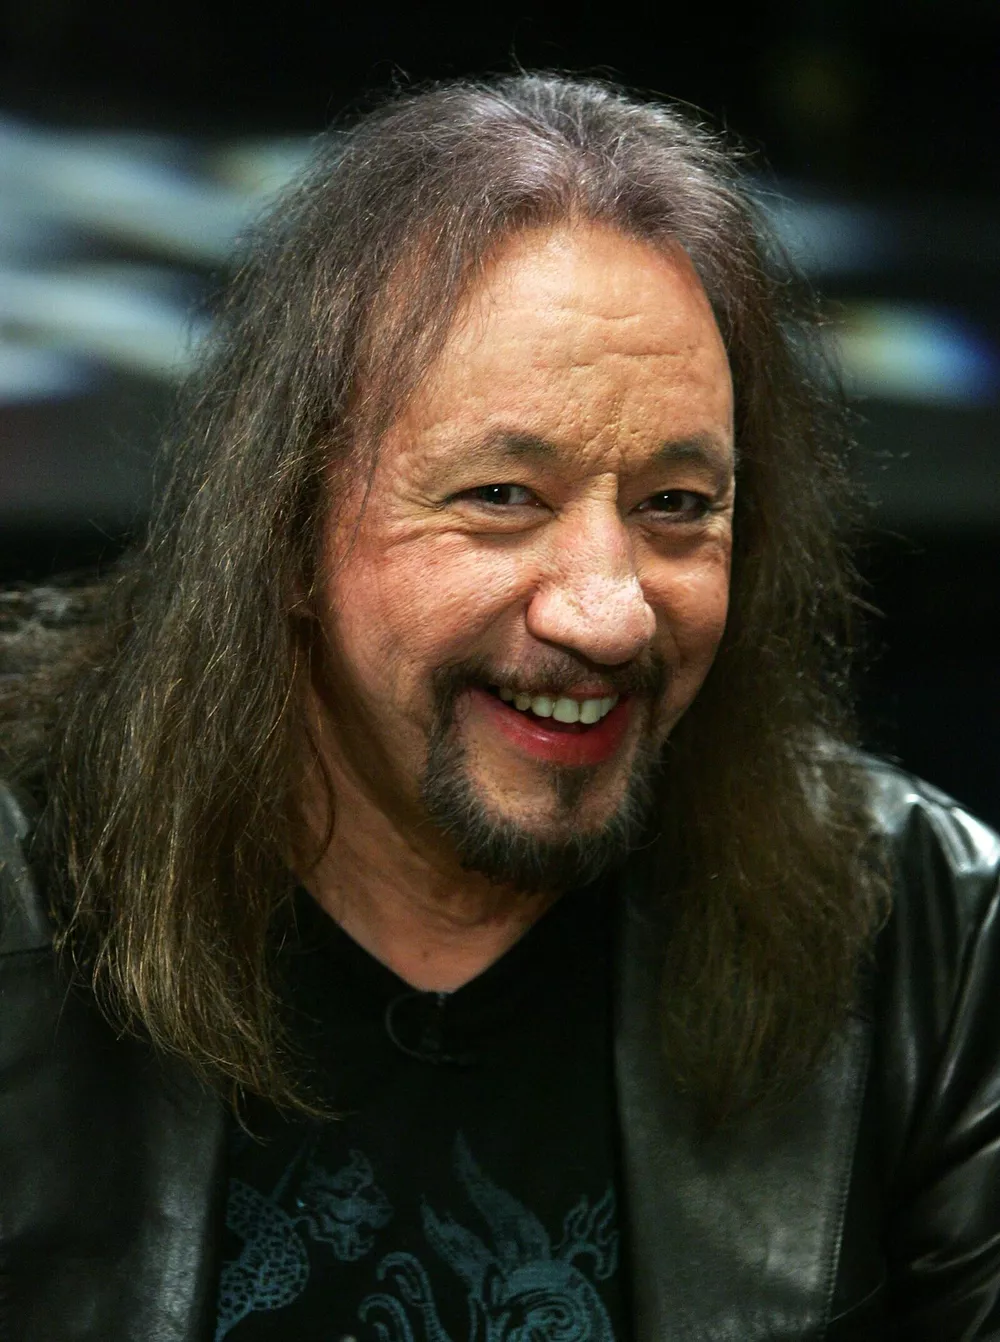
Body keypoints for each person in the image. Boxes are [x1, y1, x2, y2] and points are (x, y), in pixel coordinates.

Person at [1, 74, 999, 1342]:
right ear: (284, 527)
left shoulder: (928, 933)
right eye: (501, 497)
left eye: (676, 506)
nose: (609, 613)